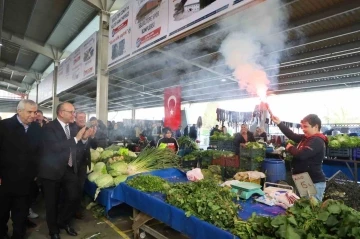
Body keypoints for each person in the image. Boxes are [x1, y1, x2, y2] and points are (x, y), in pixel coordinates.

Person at [38, 102, 92, 239]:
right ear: (61, 113)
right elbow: (55, 147)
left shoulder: (73, 127)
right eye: (72, 112)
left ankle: (63, 221)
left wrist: (84, 140)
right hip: (51, 170)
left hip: (68, 169)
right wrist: (76, 138)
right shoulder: (49, 128)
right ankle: (53, 231)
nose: (74, 115)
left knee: (74, 196)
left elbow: (77, 146)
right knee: (52, 203)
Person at [0, 100, 42, 239]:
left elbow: (39, 152)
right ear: (19, 111)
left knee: (21, 214)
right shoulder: (4, 126)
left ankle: (18, 235)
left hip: (26, 181)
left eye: (35, 112)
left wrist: (35, 173)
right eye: (29, 112)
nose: (33, 115)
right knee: (2, 212)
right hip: (5, 180)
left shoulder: (36, 128)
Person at [271, 114, 328, 201]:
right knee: (303, 206)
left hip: (313, 182)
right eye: (302, 127)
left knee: (311, 209)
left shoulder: (317, 140)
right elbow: (292, 135)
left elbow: (302, 155)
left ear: (316, 127)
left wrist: (290, 148)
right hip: (304, 180)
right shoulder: (307, 138)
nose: (303, 129)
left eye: (306, 126)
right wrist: (279, 123)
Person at [71, 112, 97, 220]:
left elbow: (94, 146)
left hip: (83, 164)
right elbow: (73, 147)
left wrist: (93, 136)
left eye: (84, 117)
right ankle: (72, 210)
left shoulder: (87, 128)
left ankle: (77, 208)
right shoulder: (71, 129)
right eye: (80, 117)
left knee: (80, 187)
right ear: (75, 118)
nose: (82, 119)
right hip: (73, 164)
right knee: (72, 188)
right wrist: (84, 139)